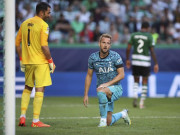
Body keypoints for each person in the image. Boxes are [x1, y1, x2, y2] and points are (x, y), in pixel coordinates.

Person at [15, 2, 56, 127]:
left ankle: (22, 117)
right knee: (40, 89)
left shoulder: (24, 23)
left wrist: (22, 59)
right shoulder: (44, 25)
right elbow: (44, 46)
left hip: (28, 62)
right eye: (48, 12)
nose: (49, 15)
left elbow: (17, 44)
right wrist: (50, 61)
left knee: (27, 87)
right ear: (42, 12)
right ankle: (35, 121)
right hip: (40, 62)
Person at [83, 34, 131, 127]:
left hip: (116, 88)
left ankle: (102, 121)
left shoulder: (115, 56)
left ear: (110, 45)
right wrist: (86, 94)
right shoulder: (93, 58)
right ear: (99, 44)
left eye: (108, 43)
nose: (105, 45)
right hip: (104, 91)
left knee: (101, 90)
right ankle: (123, 114)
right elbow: (89, 75)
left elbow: (122, 75)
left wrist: (107, 84)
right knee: (109, 122)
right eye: (103, 42)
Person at [126, 21, 159, 109]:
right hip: (145, 61)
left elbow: (128, 48)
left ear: (141, 27)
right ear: (148, 28)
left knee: (136, 80)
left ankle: (135, 95)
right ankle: (141, 102)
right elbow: (152, 51)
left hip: (135, 60)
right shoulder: (149, 36)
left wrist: (127, 59)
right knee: (144, 81)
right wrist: (156, 63)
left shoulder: (134, 35)